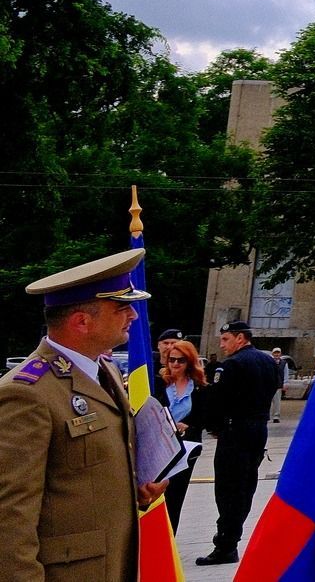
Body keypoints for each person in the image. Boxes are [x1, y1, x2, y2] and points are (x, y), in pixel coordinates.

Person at [0, 248, 166, 581]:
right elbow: (9, 515)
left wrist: (132, 489)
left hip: (111, 563)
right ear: (81, 321)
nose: (133, 315)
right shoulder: (27, 393)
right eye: (122, 307)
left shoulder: (103, 371)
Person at [198, 319, 280, 565]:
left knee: (227, 489)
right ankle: (231, 539)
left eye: (226, 339)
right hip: (258, 430)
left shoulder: (232, 365)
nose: (222, 345)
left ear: (240, 338)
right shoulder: (268, 361)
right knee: (245, 488)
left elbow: (219, 400)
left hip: (234, 432)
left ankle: (225, 544)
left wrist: (214, 427)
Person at [155, 336, 212, 532]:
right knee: (156, 494)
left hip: (186, 448)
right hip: (159, 446)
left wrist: (187, 425)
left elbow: (205, 416)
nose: (176, 364)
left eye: (181, 360)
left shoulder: (199, 387)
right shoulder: (159, 383)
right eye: (172, 359)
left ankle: (170, 538)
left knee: (175, 496)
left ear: (189, 361)